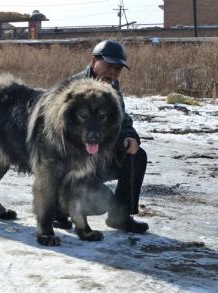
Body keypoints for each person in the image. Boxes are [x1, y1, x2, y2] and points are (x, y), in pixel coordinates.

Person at [56, 40, 149, 234]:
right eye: (108, 66)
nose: (113, 72)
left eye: (118, 68)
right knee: (101, 201)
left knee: (137, 155)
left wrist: (130, 137)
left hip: (100, 157)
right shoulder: (73, 87)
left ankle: (121, 216)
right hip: (72, 162)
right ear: (94, 61)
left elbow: (122, 120)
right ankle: (60, 210)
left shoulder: (112, 88)